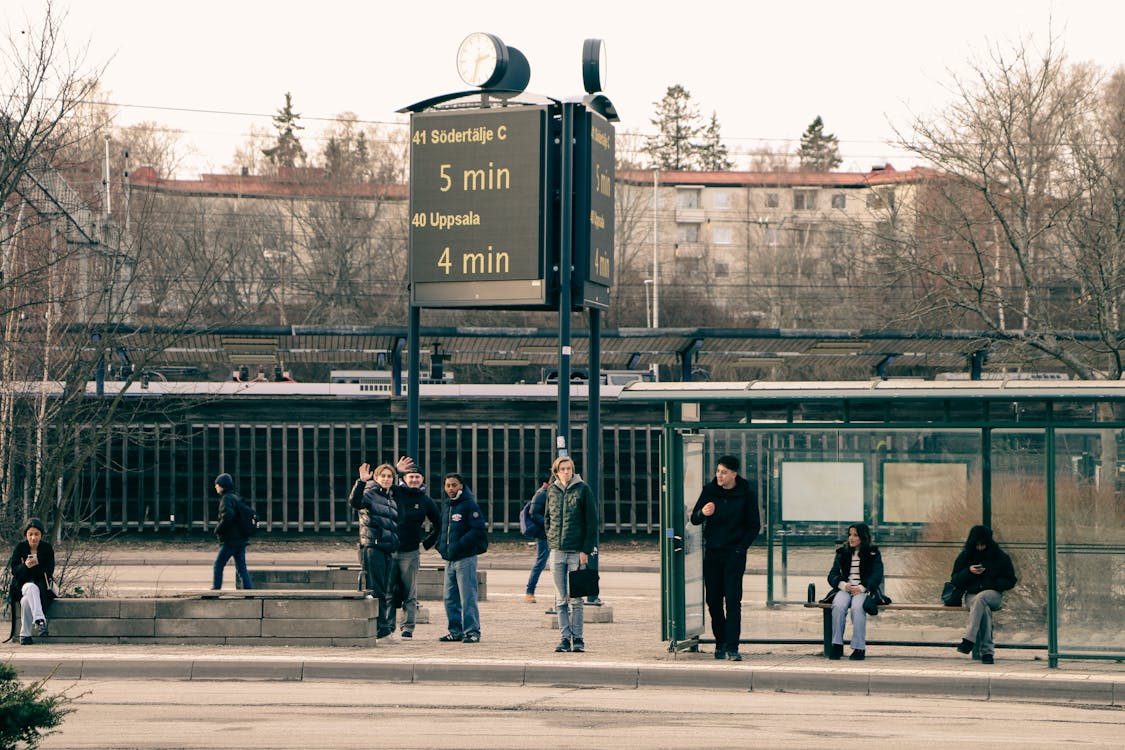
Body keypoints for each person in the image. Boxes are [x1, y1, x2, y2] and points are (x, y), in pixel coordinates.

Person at [689, 455, 760, 661]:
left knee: (733, 600)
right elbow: (694, 519)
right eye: (718, 471)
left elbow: (754, 525)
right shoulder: (710, 490)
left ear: (734, 474)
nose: (719, 475)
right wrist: (702, 512)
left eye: (724, 472)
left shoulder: (746, 493)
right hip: (713, 552)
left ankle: (732, 646)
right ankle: (719, 642)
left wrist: (740, 549)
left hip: (734, 554)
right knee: (713, 599)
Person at [543, 456, 599, 654]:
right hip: (557, 551)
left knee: (576, 599)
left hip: (576, 551)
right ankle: (565, 638)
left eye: (569, 468)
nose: (566, 472)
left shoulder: (583, 490)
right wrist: (551, 539)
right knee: (560, 599)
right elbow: (547, 518)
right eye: (562, 469)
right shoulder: (552, 490)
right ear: (556, 472)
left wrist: (585, 550)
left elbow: (592, 522)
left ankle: (579, 638)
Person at [350, 459, 410, 639]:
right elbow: (355, 501)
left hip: (386, 547)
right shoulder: (370, 492)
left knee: (384, 589)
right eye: (382, 476)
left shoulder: (389, 496)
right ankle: (380, 628)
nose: (386, 479)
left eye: (389, 476)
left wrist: (397, 471)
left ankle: (381, 627)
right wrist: (361, 481)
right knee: (376, 589)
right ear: (375, 478)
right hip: (373, 546)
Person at [951, 524, 1018, 664]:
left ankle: (969, 639)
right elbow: (955, 580)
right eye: (977, 545)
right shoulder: (965, 557)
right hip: (972, 596)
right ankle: (987, 653)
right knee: (984, 609)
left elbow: (1010, 580)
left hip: (993, 595)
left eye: (983, 545)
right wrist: (969, 571)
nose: (980, 548)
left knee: (981, 598)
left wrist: (990, 580)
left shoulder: (1000, 557)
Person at [434, 472, 487, 644]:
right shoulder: (447, 506)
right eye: (448, 485)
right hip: (449, 559)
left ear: (461, 486)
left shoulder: (469, 505)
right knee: (449, 598)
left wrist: (459, 545)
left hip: (465, 558)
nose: (451, 488)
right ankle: (455, 631)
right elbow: (443, 530)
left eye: (454, 485)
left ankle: (472, 631)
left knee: (467, 597)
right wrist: (440, 546)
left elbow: (478, 530)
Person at [392, 465, 440, 638]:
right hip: (390, 549)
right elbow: (381, 482)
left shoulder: (426, 501)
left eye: (417, 477)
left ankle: (407, 627)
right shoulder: (395, 493)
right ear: (404, 478)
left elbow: (439, 524)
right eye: (410, 476)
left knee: (410, 592)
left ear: (422, 480)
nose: (413, 479)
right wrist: (396, 469)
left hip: (411, 552)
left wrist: (426, 544)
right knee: (390, 591)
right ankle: (389, 626)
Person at [826, 523, 884, 661]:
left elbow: (877, 575)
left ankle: (859, 648)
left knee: (858, 608)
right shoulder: (842, 553)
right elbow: (832, 575)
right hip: (845, 589)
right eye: (850, 535)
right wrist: (842, 584)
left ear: (863, 537)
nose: (851, 538)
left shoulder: (873, 553)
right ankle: (837, 645)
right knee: (838, 606)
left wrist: (863, 587)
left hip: (862, 590)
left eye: (855, 535)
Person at [7, 518, 56, 645]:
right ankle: (40, 620)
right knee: (29, 587)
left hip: (42, 587)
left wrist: (36, 566)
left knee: (26, 600)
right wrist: (25, 566)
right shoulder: (20, 548)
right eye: (30, 534)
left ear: (41, 535)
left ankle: (25, 635)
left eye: (36, 534)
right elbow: (14, 570)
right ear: (26, 535)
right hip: (21, 586)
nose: (33, 538)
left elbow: (49, 571)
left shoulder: (46, 548)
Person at [212, 473, 253, 590]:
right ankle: (248, 591)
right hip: (241, 539)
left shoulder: (226, 499)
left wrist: (218, 530)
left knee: (218, 565)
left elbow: (227, 517)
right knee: (241, 567)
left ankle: (216, 589)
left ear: (222, 486)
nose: (216, 487)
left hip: (231, 540)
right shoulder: (236, 498)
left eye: (217, 484)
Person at [523, 481, 550, 603]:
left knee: (564, 562)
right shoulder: (542, 494)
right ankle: (530, 591)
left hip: (553, 533)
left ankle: (566, 593)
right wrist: (549, 525)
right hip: (544, 534)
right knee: (540, 563)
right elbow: (533, 513)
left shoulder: (550, 493)